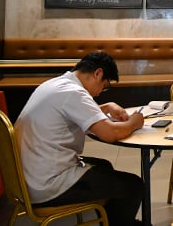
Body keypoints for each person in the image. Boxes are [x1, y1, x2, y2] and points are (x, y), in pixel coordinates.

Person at [14, 51, 145, 225]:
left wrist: (106, 107)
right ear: (97, 73)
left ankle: (110, 221)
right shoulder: (73, 93)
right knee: (133, 185)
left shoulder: (56, 84)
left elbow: (71, 113)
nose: (100, 92)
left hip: (27, 177)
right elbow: (110, 134)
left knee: (104, 166)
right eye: (104, 86)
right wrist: (135, 122)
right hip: (47, 184)